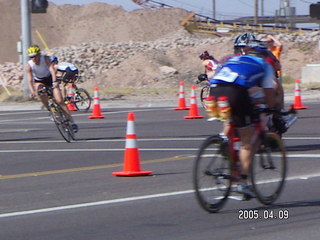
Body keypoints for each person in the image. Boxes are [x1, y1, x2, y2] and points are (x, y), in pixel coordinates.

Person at [208, 40, 276, 199]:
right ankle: (243, 183)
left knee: (231, 121)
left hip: (214, 90)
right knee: (247, 140)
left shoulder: (233, 59)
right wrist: (270, 106)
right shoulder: (265, 65)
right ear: (264, 55)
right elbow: (270, 95)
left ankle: (224, 143)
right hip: (236, 91)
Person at [26, 45, 78, 133]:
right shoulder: (29, 65)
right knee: (39, 91)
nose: (34, 58)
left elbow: (52, 70)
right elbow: (30, 79)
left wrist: (55, 82)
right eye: (31, 57)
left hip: (49, 78)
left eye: (35, 56)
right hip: (39, 81)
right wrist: (32, 91)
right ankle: (49, 109)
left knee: (60, 101)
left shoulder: (45, 58)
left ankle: (72, 122)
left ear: (39, 54)